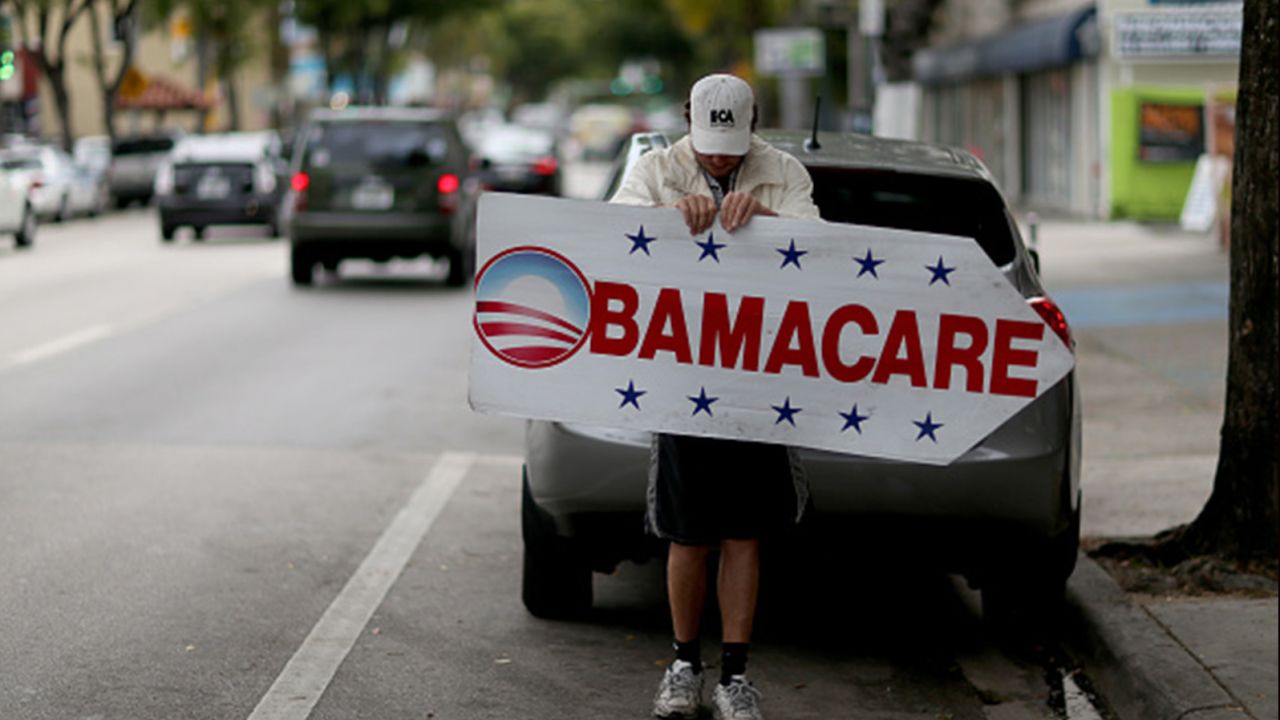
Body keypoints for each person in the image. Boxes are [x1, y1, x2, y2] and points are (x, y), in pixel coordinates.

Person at [610, 73, 820, 720]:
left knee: (744, 534)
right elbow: (610, 230)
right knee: (688, 532)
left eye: (731, 144)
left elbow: (820, 240)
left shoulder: (782, 171)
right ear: (688, 124)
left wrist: (768, 221)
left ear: (752, 124)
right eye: (709, 145)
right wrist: (668, 217)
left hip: (758, 379)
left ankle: (735, 674)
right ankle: (682, 664)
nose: (720, 159)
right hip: (683, 377)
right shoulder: (657, 167)